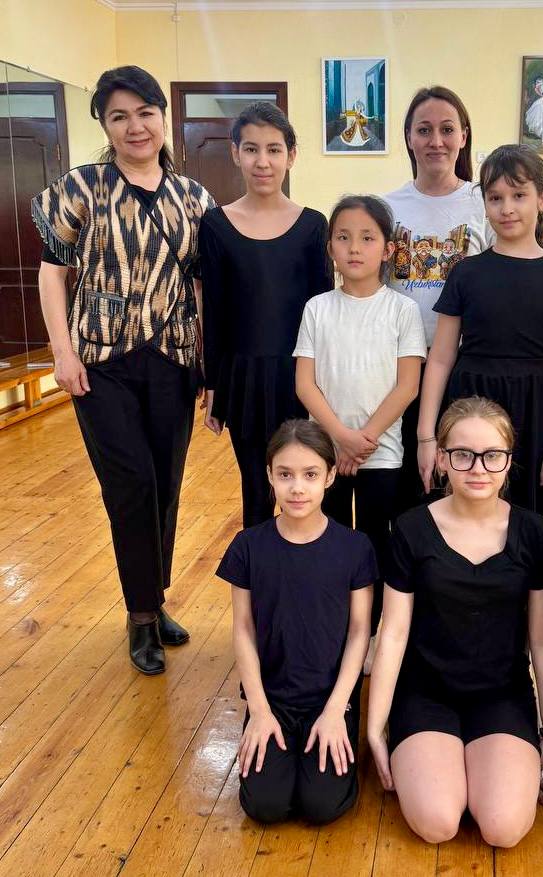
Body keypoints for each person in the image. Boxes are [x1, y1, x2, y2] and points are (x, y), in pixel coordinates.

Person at [32, 66, 215, 675]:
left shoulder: (194, 199)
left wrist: (208, 365)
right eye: (119, 116)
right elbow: (52, 273)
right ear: (105, 126)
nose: (135, 127)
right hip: (101, 363)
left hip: (173, 361)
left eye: (145, 113)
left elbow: (201, 287)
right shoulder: (80, 188)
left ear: (163, 117)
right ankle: (140, 616)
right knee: (130, 483)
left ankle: (153, 599)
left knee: (165, 483)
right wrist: (62, 352)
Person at [367, 397, 543, 847]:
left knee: (504, 827)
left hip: (501, 694)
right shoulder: (411, 529)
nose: (478, 468)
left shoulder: (534, 534)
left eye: (492, 455)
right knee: (437, 823)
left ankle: (482, 766)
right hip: (426, 693)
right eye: (462, 454)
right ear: (441, 459)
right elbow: (392, 633)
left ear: (508, 461)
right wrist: (375, 727)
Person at [417, 144, 543, 515]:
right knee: (463, 509)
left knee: (524, 516)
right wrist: (426, 436)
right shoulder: (466, 272)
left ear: (542, 199)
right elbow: (441, 358)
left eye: (519, 196)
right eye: (495, 198)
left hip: (535, 406)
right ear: (484, 204)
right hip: (468, 400)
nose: (507, 208)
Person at [217, 420, 375, 825]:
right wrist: (259, 710)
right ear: (269, 475)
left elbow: (360, 631)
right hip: (273, 699)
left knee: (322, 806)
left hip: (330, 698)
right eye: (285, 475)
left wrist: (337, 709)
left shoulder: (355, 548)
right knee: (265, 806)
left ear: (330, 476)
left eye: (310, 475)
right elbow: (244, 628)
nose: (297, 488)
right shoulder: (248, 546)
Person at [293, 195, 426, 648]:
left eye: (367, 238)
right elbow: (305, 385)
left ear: (388, 249)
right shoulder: (317, 308)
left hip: (380, 455)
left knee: (374, 543)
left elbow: (408, 385)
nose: (354, 248)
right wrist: (340, 439)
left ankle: (370, 633)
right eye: (344, 237)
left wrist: (362, 440)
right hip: (325, 455)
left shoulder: (402, 310)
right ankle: (331, 628)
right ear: (330, 246)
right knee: (327, 540)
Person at [200, 102, 332, 528]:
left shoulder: (313, 225)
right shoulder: (215, 225)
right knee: (256, 493)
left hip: (300, 376)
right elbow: (214, 310)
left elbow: (323, 311)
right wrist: (213, 383)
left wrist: (324, 382)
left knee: (305, 487)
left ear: (291, 156)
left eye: (274, 150)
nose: (263, 161)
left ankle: (308, 566)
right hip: (243, 378)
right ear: (235, 152)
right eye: (251, 149)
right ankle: (258, 569)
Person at [384, 86, 494, 512]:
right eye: (424, 130)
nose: (436, 141)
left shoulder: (484, 203)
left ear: (464, 136)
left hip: (467, 366)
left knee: (462, 488)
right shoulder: (387, 207)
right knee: (408, 491)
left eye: (447, 129)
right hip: (401, 368)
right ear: (409, 137)